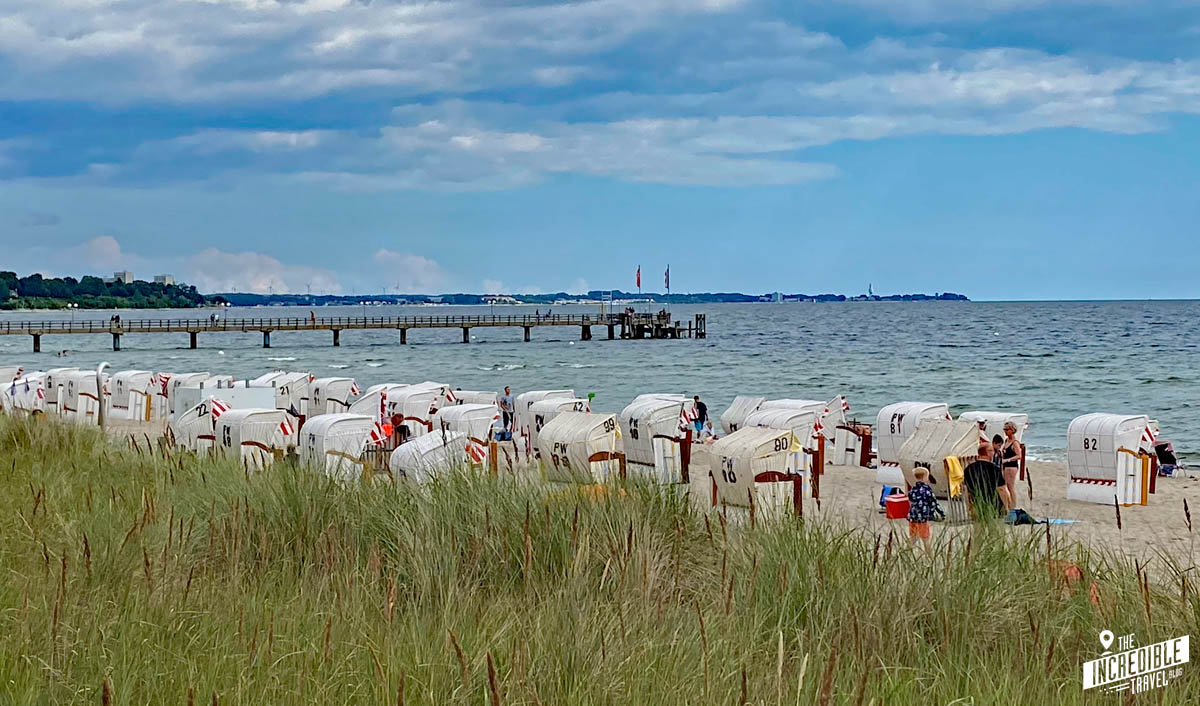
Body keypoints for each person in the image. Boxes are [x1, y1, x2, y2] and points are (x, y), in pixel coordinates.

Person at [963, 441, 1010, 518]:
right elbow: (1002, 489)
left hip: (977, 505)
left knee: (978, 528)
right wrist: (1006, 506)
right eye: (993, 451)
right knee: (995, 528)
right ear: (989, 452)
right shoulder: (994, 469)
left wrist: (970, 506)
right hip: (994, 506)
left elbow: (967, 490)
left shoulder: (969, 469)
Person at [907, 467, 943, 555]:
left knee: (913, 537)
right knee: (926, 538)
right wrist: (941, 513)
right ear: (925, 477)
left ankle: (905, 553)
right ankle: (930, 556)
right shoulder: (927, 490)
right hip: (923, 517)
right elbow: (933, 502)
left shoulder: (913, 489)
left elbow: (910, 498)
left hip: (913, 516)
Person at [999, 422, 1022, 507]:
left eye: (1007, 429)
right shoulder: (1006, 441)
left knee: (1010, 486)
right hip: (1005, 466)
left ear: (1012, 430)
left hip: (1011, 466)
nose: (1005, 431)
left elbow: (1019, 455)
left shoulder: (1015, 442)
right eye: (1004, 429)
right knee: (1005, 485)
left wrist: (1007, 460)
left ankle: (1013, 505)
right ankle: (1009, 503)